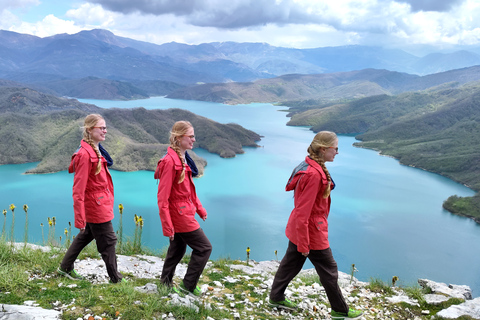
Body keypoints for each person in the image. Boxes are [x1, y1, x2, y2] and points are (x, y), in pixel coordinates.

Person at [269, 131, 362, 319]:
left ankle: (276, 297)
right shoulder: (314, 174)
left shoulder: (310, 167)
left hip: (300, 228)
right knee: (329, 269)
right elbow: (305, 211)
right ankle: (340, 310)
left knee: (290, 265)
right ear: (323, 149)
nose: (337, 152)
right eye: (335, 149)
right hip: (311, 232)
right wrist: (304, 243)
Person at [57, 113, 124, 284]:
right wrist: (79, 218)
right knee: (108, 241)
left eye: (105, 127)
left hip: (100, 203)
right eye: (101, 128)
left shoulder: (96, 150)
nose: (105, 131)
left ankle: (65, 267)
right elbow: (78, 190)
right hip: (96, 207)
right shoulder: (85, 155)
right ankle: (116, 279)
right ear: (89, 130)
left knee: (86, 235)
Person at [154, 120, 212, 296]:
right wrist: (167, 226)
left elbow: (189, 191)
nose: (194, 140)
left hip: (183, 211)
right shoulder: (170, 161)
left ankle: (165, 283)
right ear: (179, 138)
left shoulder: (185, 158)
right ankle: (188, 285)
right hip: (179, 215)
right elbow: (162, 198)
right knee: (204, 248)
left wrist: (199, 209)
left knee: (177, 249)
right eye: (191, 136)